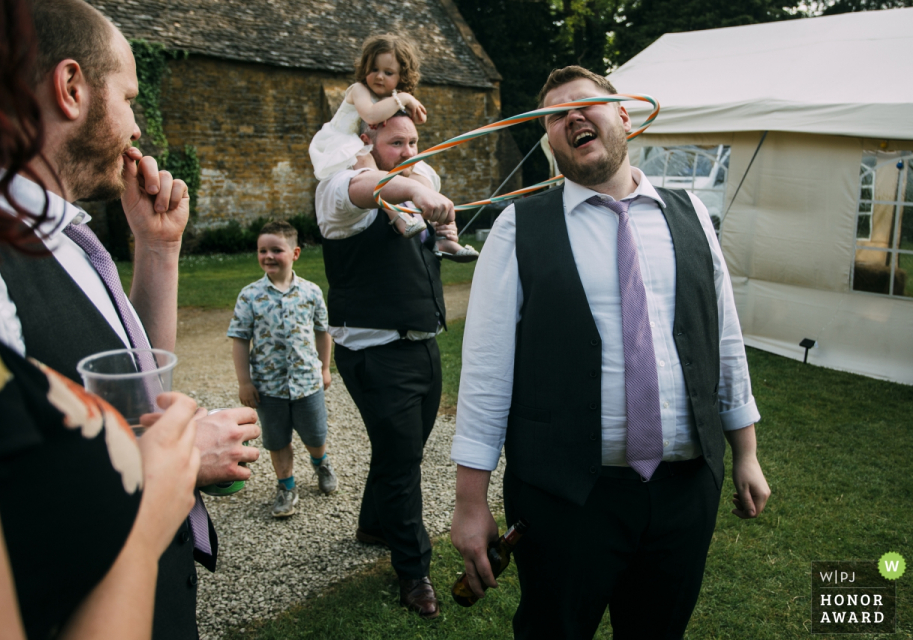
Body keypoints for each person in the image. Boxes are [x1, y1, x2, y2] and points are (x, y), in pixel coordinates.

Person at [0, 1, 261, 638]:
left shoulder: (59, 231)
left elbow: (136, 386)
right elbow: (22, 514)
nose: (137, 128)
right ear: (71, 89)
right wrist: (179, 463)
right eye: (127, 97)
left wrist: (157, 251)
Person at [450, 65, 771, 639]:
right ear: (550, 140)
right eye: (554, 115)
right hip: (566, 499)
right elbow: (485, 374)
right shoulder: (517, 228)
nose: (571, 117)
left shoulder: (691, 214)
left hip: (684, 489)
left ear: (624, 114)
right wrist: (470, 504)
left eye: (585, 104)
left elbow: (722, 337)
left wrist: (744, 452)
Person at [315, 110, 456, 618]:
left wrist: (424, 195)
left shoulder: (416, 181)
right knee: (402, 464)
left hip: (421, 343)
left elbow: (416, 189)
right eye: (397, 142)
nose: (409, 152)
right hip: (375, 353)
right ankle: (414, 571)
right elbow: (363, 186)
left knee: (405, 450)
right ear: (367, 140)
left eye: (415, 140)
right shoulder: (338, 192)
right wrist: (414, 190)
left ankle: (375, 524)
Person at [309, 33, 478, 261]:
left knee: (418, 171)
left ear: (400, 76)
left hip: (366, 141)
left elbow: (418, 121)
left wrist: (403, 106)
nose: (379, 77)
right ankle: (399, 218)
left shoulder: (394, 98)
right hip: (347, 141)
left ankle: (445, 238)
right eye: (374, 69)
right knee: (369, 170)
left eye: (388, 73)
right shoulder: (359, 89)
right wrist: (405, 99)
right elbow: (369, 115)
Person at [228, 220, 338, 518]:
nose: (268, 256)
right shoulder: (250, 295)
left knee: (315, 434)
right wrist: (244, 382)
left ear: (295, 253)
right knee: (277, 439)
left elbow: (322, 331)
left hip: (307, 382)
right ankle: (286, 487)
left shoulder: (311, 292)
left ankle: (321, 463)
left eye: (276, 250)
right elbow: (240, 339)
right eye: (262, 250)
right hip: (268, 386)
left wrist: (325, 367)